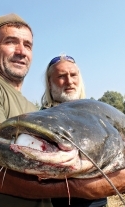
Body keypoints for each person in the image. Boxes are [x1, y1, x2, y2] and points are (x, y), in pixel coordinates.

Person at [0, 13, 125, 207]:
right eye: (11, 42)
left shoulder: (32, 109)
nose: (21, 51)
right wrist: (86, 188)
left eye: (27, 45)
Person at [41, 54, 108, 207]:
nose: (69, 81)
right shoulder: (41, 119)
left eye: (73, 75)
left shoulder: (97, 112)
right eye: (62, 76)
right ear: (50, 84)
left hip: (98, 201)